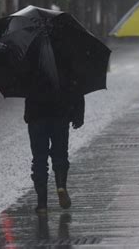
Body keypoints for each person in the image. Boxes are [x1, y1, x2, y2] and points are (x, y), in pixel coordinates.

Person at [24, 37, 84, 214]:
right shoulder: (65, 51)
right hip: (60, 112)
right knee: (60, 153)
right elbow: (77, 84)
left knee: (39, 158)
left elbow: (22, 83)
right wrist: (78, 113)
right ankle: (60, 186)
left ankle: (42, 203)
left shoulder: (30, 53)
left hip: (36, 114)